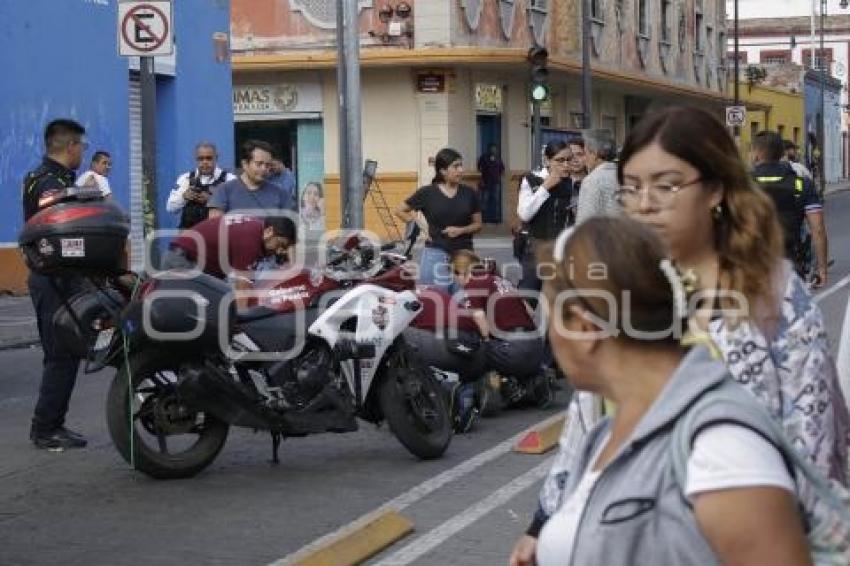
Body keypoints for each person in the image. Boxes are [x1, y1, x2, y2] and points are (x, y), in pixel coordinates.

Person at [512, 105, 850, 562]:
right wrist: (544, 520)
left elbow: (814, 432)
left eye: (666, 185)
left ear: (714, 190)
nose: (645, 202)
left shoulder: (769, 289)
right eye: (631, 188)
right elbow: (589, 415)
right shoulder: (623, 279)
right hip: (624, 522)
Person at [512, 216, 812, 566]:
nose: (548, 338)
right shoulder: (607, 432)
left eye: (549, 320)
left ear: (584, 327)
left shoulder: (720, 450)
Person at [22, 119, 90, 450]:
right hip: (54, 278)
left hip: (58, 276)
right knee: (61, 354)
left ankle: (51, 424)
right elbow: (59, 225)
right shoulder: (50, 183)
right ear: (71, 146)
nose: (83, 152)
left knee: (65, 353)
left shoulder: (53, 178)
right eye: (82, 146)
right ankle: (46, 428)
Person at [394, 148, 482, 291]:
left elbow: (478, 225)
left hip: (463, 255)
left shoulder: (469, 193)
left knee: (463, 303)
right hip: (435, 254)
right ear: (443, 171)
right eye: (455, 166)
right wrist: (422, 227)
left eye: (461, 165)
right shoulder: (427, 193)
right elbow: (400, 210)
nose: (460, 170)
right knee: (436, 301)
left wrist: (461, 230)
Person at [162, 215, 296, 309]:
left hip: (187, 259)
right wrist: (243, 325)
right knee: (196, 315)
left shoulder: (255, 228)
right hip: (183, 262)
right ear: (269, 231)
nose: (280, 251)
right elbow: (242, 288)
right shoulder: (250, 239)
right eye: (280, 244)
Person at [752, 131, 827, 286]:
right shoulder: (801, 184)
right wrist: (822, 270)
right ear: (781, 154)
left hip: (749, 268)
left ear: (756, 154)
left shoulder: (741, 184)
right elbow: (818, 229)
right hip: (789, 266)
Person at [515, 141, 573, 295]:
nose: (566, 165)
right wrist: (545, 187)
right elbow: (524, 214)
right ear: (547, 160)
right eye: (560, 160)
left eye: (569, 160)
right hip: (537, 245)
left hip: (563, 249)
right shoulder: (532, 179)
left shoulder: (573, 182)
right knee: (527, 295)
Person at [208, 140, 297, 218]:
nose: (264, 169)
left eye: (267, 165)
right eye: (259, 164)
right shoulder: (224, 191)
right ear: (245, 164)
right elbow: (215, 228)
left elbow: (291, 226)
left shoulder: (280, 194)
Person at [166, 142, 235, 229]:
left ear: (216, 158)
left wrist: (214, 201)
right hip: (189, 236)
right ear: (196, 159)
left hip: (218, 236)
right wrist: (184, 197)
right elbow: (170, 208)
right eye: (201, 159)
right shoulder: (185, 179)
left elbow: (238, 211)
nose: (205, 162)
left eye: (209, 158)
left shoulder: (229, 179)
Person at [575, 130, 619, 224]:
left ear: (594, 154)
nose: (584, 158)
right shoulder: (623, 176)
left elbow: (584, 224)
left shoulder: (592, 180)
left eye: (585, 153)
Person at [477, 143, 505, 224]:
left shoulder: (498, 158)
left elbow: (502, 169)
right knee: (484, 201)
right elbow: (479, 168)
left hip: (496, 183)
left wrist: (499, 176)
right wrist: (482, 179)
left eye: (495, 149)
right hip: (486, 183)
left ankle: (495, 218)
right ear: (489, 149)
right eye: (492, 148)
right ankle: (484, 219)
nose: (494, 150)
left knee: (496, 201)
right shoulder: (483, 157)